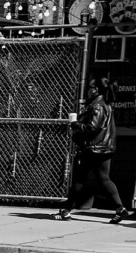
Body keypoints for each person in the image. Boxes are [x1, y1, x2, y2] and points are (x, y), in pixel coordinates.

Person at [53, 77, 128, 224]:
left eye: (90, 87)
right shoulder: (104, 104)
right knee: (104, 179)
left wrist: (75, 124)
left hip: (94, 149)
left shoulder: (97, 106)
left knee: (80, 180)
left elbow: (92, 128)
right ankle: (120, 209)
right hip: (104, 148)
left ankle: (66, 210)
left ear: (96, 90)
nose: (88, 90)